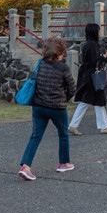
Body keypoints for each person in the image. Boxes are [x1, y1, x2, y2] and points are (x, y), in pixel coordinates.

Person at [18, 37, 77, 180]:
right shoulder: (63, 68)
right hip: (57, 107)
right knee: (63, 134)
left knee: (35, 136)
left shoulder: (41, 63)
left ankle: (26, 166)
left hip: (39, 106)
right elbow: (72, 88)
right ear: (61, 51)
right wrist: (64, 99)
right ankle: (63, 163)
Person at [68, 23, 107, 135]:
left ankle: (75, 125)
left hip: (88, 76)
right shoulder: (92, 45)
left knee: (90, 101)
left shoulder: (88, 44)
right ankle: (103, 126)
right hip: (93, 77)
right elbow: (96, 61)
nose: (100, 33)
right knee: (96, 100)